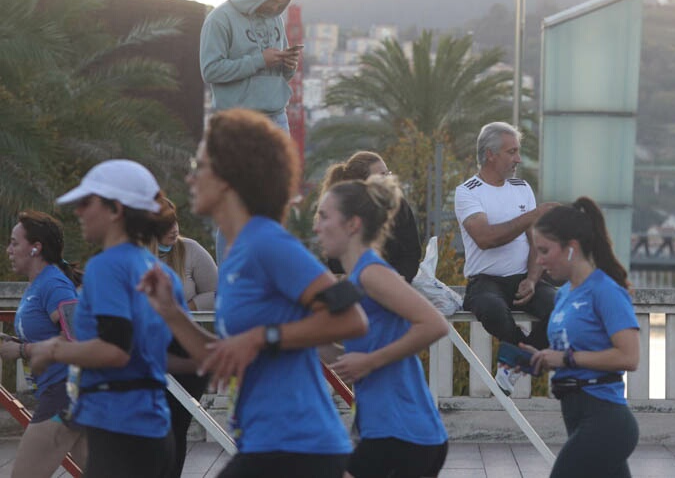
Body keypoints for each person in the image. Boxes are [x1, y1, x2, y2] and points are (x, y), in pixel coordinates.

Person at [138, 108, 368, 478]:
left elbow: (351, 319)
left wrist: (264, 336)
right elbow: (221, 356)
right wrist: (171, 313)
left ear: (229, 177)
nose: (190, 176)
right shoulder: (234, 254)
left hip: (298, 446)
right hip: (266, 443)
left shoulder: (267, 242)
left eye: (201, 165)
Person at [30, 159, 187, 478]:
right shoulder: (163, 273)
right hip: (156, 427)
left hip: (120, 429)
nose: (79, 211)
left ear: (116, 209)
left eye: (88, 202)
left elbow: (115, 349)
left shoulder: (107, 267)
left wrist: (50, 350)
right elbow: (180, 356)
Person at [315, 172, 450, 478]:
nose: (316, 226)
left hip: (402, 434)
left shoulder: (371, 273)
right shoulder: (357, 279)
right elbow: (350, 363)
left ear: (352, 224)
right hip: (386, 429)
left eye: (324, 216)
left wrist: (370, 361)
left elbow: (434, 324)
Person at [521, 198, 640, 478]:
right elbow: (573, 353)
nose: (538, 260)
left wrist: (565, 358)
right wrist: (541, 359)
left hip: (605, 419)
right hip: (575, 412)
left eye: (544, 250)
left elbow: (629, 357)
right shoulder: (563, 294)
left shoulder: (606, 291)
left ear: (571, 248)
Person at [454, 121, 558, 394]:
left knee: (562, 306)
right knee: (492, 310)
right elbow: (486, 238)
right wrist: (532, 216)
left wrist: (534, 279)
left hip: (523, 278)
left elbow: (535, 242)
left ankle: (514, 362)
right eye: (512, 152)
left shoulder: (522, 188)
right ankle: (520, 360)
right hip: (485, 282)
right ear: (491, 154)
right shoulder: (468, 191)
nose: (518, 159)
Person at [1, 210, 86, 478]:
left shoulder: (54, 285)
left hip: (63, 396)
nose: (8, 250)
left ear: (36, 248)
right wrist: (14, 343)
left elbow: (77, 339)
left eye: (15, 243)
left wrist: (20, 350)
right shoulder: (39, 284)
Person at [148, 198, 218, 478]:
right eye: (165, 225)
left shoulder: (191, 250)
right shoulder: (134, 257)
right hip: (151, 348)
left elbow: (218, 293)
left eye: (175, 222)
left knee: (176, 423)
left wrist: (186, 307)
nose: (174, 229)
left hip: (186, 350)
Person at [199, 0, 301, 132]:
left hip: (277, 118)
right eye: (272, 0)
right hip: (237, 122)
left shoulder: (276, 19)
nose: (275, 7)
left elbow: (282, 76)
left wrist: (289, 65)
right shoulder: (220, 19)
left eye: (280, 3)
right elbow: (210, 71)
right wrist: (259, 60)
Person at [320, 150, 423, 282]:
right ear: (362, 181)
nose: (388, 180)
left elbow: (412, 252)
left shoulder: (398, 205)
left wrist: (399, 279)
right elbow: (334, 261)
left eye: (388, 174)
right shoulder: (342, 210)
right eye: (382, 175)